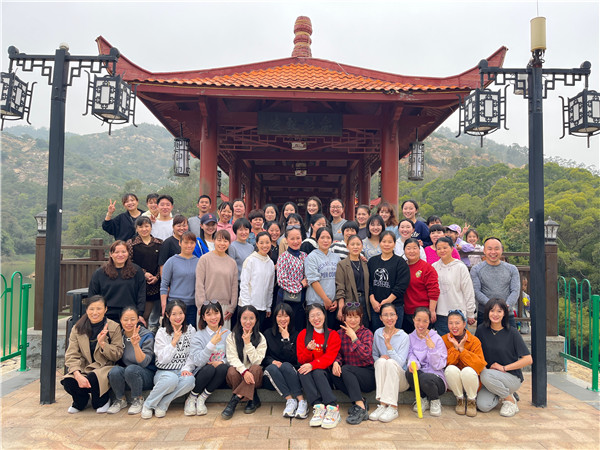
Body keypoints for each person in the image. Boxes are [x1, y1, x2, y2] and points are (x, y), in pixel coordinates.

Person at [62, 295, 123, 413]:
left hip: (104, 366)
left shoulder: (113, 327)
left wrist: (103, 344)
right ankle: (81, 401)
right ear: (86, 310)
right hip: (84, 367)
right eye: (91, 309)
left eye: (99, 308)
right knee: (68, 381)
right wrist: (77, 374)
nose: (95, 312)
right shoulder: (77, 328)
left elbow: (118, 354)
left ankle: (102, 401)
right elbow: (71, 354)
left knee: (94, 377)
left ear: (105, 309)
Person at [475, 298, 532, 417]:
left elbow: (528, 359)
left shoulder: (512, 333)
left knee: (485, 375)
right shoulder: (481, 330)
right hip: (490, 377)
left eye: (499, 311)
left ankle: (509, 400)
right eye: (492, 311)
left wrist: (504, 368)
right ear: (487, 312)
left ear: (504, 313)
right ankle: (503, 393)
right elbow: (477, 353)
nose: (495, 314)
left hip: (510, 377)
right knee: (483, 406)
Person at [141, 300, 195, 419]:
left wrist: (186, 369)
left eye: (180, 313)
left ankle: (162, 404)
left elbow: (192, 354)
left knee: (190, 381)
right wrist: (174, 342)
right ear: (167, 315)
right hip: (164, 372)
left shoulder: (191, 330)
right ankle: (148, 404)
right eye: (174, 314)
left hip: (181, 371)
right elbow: (162, 359)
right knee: (171, 379)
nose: (178, 317)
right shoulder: (161, 333)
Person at [297, 304, 342, 429]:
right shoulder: (303, 334)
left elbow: (329, 358)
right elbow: (301, 359)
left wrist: (312, 365)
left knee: (317, 372)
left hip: (325, 374)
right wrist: (308, 350)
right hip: (310, 374)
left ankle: (332, 407)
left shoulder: (333, 335)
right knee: (302, 371)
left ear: (324, 315)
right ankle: (318, 407)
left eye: (318, 314)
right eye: (312, 316)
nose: (316, 318)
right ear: (308, 319)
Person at [184, 301, 231, 416]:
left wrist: (222, 361)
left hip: (219, 375)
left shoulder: (227, 334)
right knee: (209, 369)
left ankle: (202, 398)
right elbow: (198, 361)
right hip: (202, 373)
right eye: (209, 314)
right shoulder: (198, 336)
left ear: (221, 314)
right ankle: (192, 397)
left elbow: (232, 357)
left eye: (216, 313)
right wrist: (211, 344)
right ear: (203, 317)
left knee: (223, 367)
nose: (213, 317)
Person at [107, 306, 156, 414]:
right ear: (120, 320)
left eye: (133, 319)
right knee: (115, 371)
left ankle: (138, 399)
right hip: (128, 375)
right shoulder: (119, 335)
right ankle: (120, 399)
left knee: (131, 369)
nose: (129, 323)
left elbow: (144, 362)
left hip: (146, 374)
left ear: (138, 319)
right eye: (125, 319)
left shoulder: (146, 335)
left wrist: (135, 345)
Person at [262, 303, 308, 419]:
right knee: (271, 368)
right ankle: (290, 401)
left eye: (286, 316)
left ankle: (302, 402)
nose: (283, 319)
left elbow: (293, 359)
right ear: (275, 318)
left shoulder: (297, 335)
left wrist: (286, 339)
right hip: (274, 375)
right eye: (279, 316)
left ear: (291, 317)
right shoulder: (268, 334)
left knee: (286, 365)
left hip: (291, 373)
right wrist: (272, 361)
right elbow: (263, 357)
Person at [332, 304, 375, 425]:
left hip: (367, 375)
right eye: (349, 317)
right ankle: (360, 401)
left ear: (361, 317)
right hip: (349, 376)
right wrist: (336, 362)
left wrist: (354, 337)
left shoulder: (367, 333)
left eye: (356, 317)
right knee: (335, 373)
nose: (353, 320)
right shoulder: (339, 334)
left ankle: (360, 408)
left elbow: (365, 355)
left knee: (346, 369)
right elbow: (337, 353)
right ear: (344, 318)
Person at [222, 305, 267, 419]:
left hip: (254, 376)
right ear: (239, 319)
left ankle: (235, 399)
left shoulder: (261, 338)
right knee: (232, 371)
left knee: (256, 369)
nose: (248, 322)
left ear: (256, 320)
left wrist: (248, 343)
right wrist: (244, 372)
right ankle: (252, 398)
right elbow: (232, 358)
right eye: (244, 318)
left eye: (251, 318)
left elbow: (257, 360)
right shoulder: (231, 336)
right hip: (238, 375)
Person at [369, 303, 410, 423]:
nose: (389, 318)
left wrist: (389, 347)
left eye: (392, 314)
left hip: (401, 380)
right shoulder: (378, 333)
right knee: (381, 361)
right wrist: (380, 358)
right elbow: (374, 355)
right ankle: (382, 405)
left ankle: (393, 407)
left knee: (391, 362)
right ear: (380, 318)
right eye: (385, 315)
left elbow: (400, 362)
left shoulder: (404, 336)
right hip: (385, 376)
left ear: (397, 316)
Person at [442, 309, 486, 417]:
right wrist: (455, 348)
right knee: (450, 369)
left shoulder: (474, 341)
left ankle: (471, 401)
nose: (454, 326)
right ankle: (460, 400)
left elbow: (479, 365)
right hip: (454, 382)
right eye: (450, 323)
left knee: (467, 371)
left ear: (464, 324)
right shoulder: (444, 340)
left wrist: (462, 350)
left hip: (471, 381)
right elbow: (444, 363)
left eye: (457, 323)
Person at [88, 240, 146, 323]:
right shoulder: (99, 273)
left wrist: (140, 314)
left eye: (123, 252)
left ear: (128, 253)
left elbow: (141, 294)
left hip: (130, 314)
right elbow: (93, 296)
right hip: (106, 315)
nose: (120, 255)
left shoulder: (137, 271)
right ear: (111, 254)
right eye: (116, 252)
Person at [406, 307, 448, 417]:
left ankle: (435, 400)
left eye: (425, 321)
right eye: (418, 320)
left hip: (436, 379)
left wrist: (432, 349)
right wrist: (414, 364)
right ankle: (422, 398)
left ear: (429, 322)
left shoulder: (437, 338)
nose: (421, 324)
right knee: (410, 372)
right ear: (413, 319)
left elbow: (438, 365)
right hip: (421, 376)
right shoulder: (410, 337)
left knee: (425, 377)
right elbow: (411, 355)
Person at [470, 237, 520, 328]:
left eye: (496, 249)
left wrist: (505, 307)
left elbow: (515, 290)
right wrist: (492, 307)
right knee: (483, 337)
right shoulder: (476, 269)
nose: (493, 252)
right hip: (485, 313)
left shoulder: (512, 269)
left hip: (507, 312)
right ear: (484, 251)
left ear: (501, 250)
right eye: (489, 249)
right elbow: (476, 291)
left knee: (511, 337)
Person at [432, 236, 476, 336]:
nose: (442, 250)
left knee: (460, 342)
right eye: (439, 248)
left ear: (452, 248)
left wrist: (470, 313)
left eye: (445, 247)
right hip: (440, 314)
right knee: (443, 343)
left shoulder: (460, 267)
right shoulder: (434, 267)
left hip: (458, 313)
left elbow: (468, 291)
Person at [195, 230, 238, 329]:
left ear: (229, 243)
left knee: (222, 336)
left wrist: (232, 307)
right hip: (207, 306)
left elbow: (234, 287)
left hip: (224, 308)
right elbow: (199, 284)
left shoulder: (232, 263)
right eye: (219, 240)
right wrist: (202, 305)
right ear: (214, 241)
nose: (222, 243)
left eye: (225, 241)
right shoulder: (204, 259)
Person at [368, 231, 410, 331]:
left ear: (394, 244)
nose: (386, 244)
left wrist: (387, 302)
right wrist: (372, 300)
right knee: (378, 335)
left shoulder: (400, 262)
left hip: (395, 307)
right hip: (376, 307)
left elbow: (401, 285)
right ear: (380, 243)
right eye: (384, 241)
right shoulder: (372, 261)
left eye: (390, 242)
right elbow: (368, 283)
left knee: (394, 336)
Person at [126, 216, 162, 331]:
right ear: (136, 228)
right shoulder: (131, 244)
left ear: (151, 227)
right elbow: (128, 262)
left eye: (147, 226)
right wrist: (144, 273)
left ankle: (153, 337)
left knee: (155, 317)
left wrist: (157, 277)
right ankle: (142, 335)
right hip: (138, 283)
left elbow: (162, 263)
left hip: (156, 284)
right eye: (140, 227)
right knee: (143, 315)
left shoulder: (159, 243)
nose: (144, 229)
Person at [160, 231, 199, 326]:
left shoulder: (199, 262)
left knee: (190, 332)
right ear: (180, 243)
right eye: (186, 242)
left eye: (192, 243)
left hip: (193, 305)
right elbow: (164, 285)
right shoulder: (171, 261)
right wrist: (164, 305)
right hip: (175, 305)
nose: (189, 245)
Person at [305, 227, 341, 329]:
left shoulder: (336, 257)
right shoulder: (311, 257)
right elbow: (313, 280)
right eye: (322, 237)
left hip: (332, 305)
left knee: (330, 333)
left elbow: (339, 280)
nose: (325, 240)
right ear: (317, 239)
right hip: (316, 303)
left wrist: (336, 300)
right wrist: (325, 299)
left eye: (328, 238)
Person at [239, 231, 275, 330]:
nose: (265, 245)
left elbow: (270, 287)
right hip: (249, 306)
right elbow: (244, 284)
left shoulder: (270, 263)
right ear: (257, 244)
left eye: (267, 242)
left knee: (258, 334)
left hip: (262, 307)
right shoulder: (250, 260)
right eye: (261, 243)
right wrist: (246, 307)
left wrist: (268, 306)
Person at [403, 238, 440, 334]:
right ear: (404, 250)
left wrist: (432, 311)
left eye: (415, 248)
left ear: (419, 250)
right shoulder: (402, 267)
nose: (412, 251)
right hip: (406, 312)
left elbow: (434, 290)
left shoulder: (427, 268)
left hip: (423, 313)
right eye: (408, 248)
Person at [276, 226, 308, 332]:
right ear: (286, 240)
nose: (295, 241)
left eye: (298, 238)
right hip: (286, 299)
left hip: (300, 300)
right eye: (292, 238)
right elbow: (281, 280)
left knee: (299, 329)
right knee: (285, 328)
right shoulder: (283, 257)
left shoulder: (305, 256)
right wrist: (300, 285)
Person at [335, 235, 371, 327]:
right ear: (347, 246)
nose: (355, 247)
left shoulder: (365, 263)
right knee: (351, 327)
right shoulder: (342, 264)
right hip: (350, 301)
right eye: (352, 244)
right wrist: (341, 307)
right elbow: (340, 287)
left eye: (358, 244)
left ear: (362, 246)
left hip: (365, 301)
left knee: (364, 327)